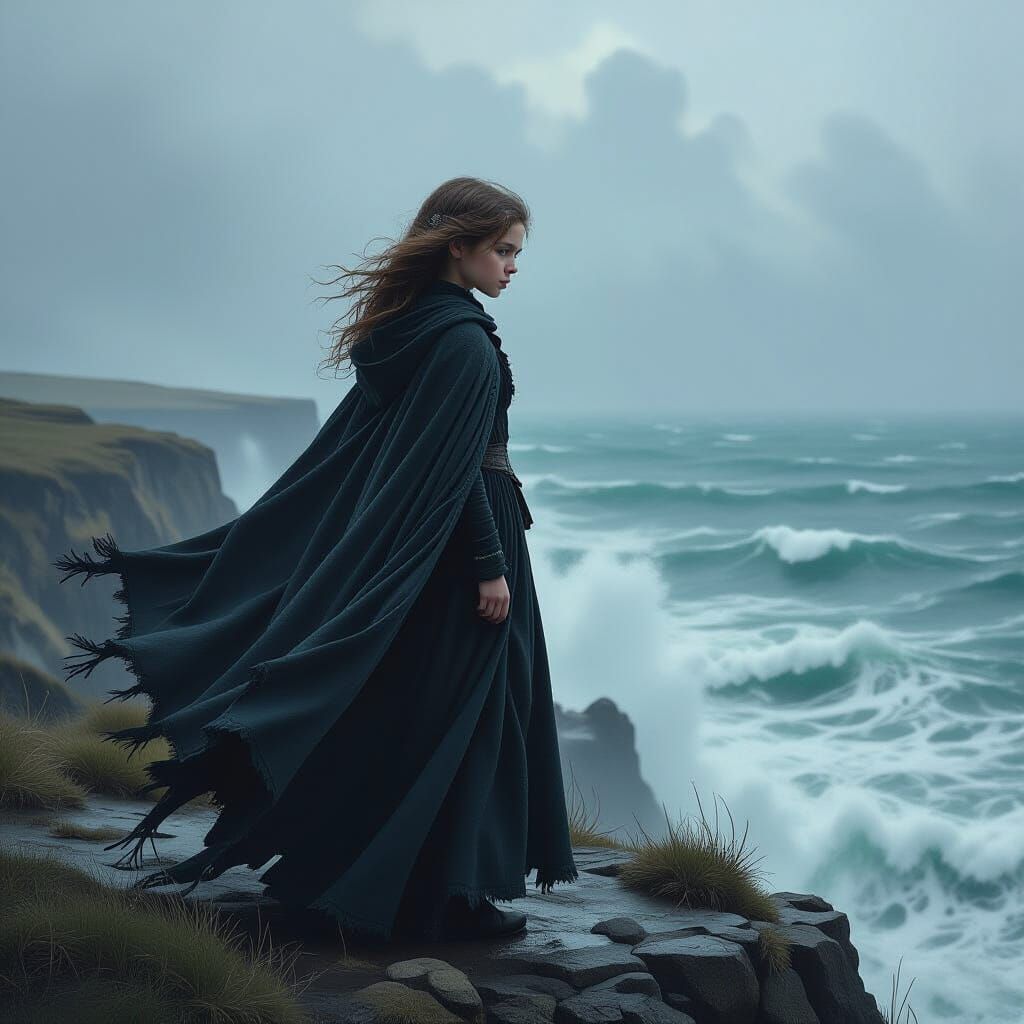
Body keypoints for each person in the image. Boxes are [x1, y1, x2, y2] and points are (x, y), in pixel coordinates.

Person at [52, 175, 579, 944]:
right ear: (457, 245)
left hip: (419, 548)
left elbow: (406, 455)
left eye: (516, 253)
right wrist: (489, 563)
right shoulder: (461, 342)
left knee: (425, 710)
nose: (513, 266)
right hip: (464, 546)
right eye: (503, 250)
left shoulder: (408, 327)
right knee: (473, 713)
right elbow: (459, 465)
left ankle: (415, 882)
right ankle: (450, 896)